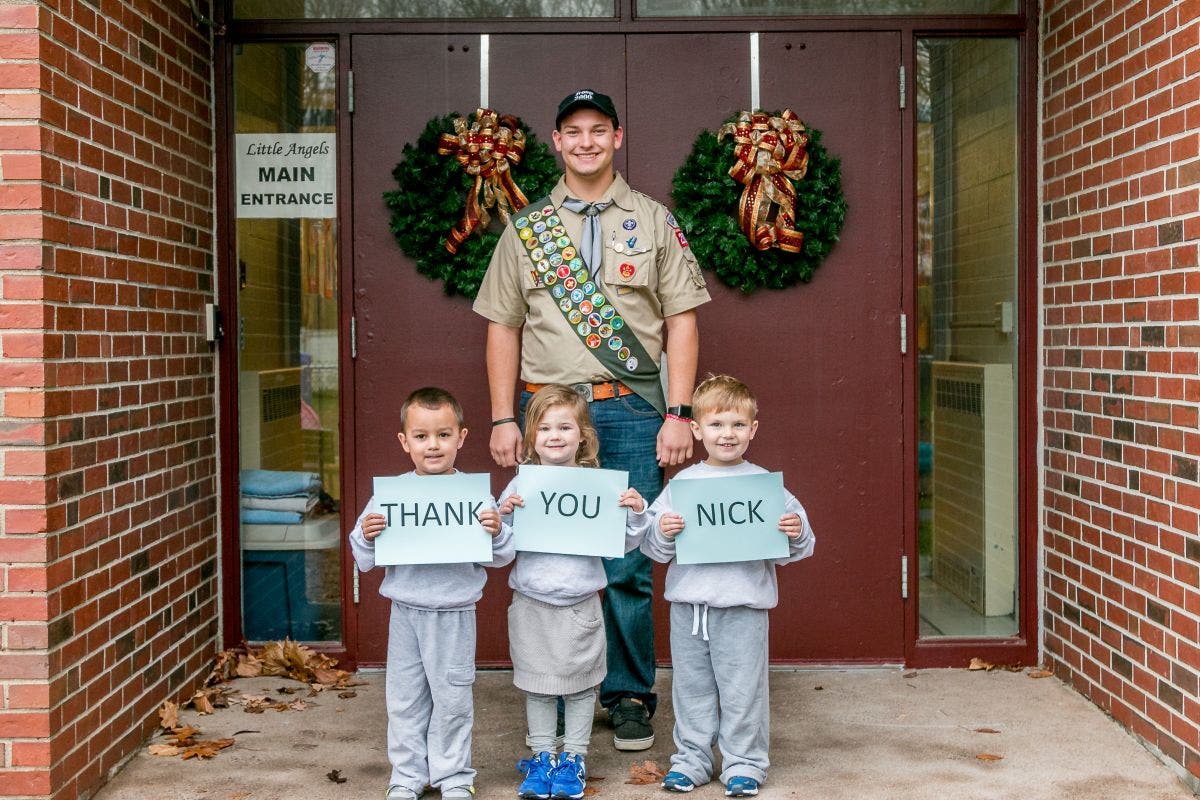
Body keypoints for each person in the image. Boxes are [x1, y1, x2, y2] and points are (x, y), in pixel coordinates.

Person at [474, 87, 711, 751]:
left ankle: (629, 694)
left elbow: (681, 320)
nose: (585, 141)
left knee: (628, 560)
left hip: (633, 406)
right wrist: (501, 417)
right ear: (556, 142)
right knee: (549, 551)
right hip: (548, 410)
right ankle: (553, 687)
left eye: (597, 130)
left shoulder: (653, 220)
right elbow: (503, 325)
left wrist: (679, 411)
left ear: (618, 136)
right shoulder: (528, 230)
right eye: (573, 131)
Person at [633, 375, 816, 797]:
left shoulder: (765, 487)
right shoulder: (682, 486)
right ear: (696, 430)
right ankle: (692, 760)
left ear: (753, 429)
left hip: (744, 608)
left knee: (743, 690)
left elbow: (801, 542)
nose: (726, 434)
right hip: (690, 609)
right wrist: (664, 528)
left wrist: (793, 529)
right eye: (716, 425)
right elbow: (654, 548)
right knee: (691, 688)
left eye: (736, 425)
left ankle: (745, 763)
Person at [348, 387, 515, 800]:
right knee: (404, 699)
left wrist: (496, 529)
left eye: (443, 435)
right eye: (421, 436)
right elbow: (362, 553)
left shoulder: (476, 497)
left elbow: (502, 555)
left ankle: (453, 776)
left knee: (452, 699)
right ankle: (407, 775)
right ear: (404, 442)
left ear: (462, 436)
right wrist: (368, 536)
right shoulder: (390, 497)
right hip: (405, 612)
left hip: (455, 613)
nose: (433, 445)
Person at [498, 385, 648, 800]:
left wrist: (636, 513)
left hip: (580, 605)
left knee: (581, 688)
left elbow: (628, 543)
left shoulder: (599, 486)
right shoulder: (518, 488)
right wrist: (503, 519)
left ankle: (574, 760)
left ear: (583, 434)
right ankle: (544, 756)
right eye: (544, 427)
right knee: (538, 686)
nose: (555, 435)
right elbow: (498, 550)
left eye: (565, 426)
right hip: (531, 605)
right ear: (531, 439)